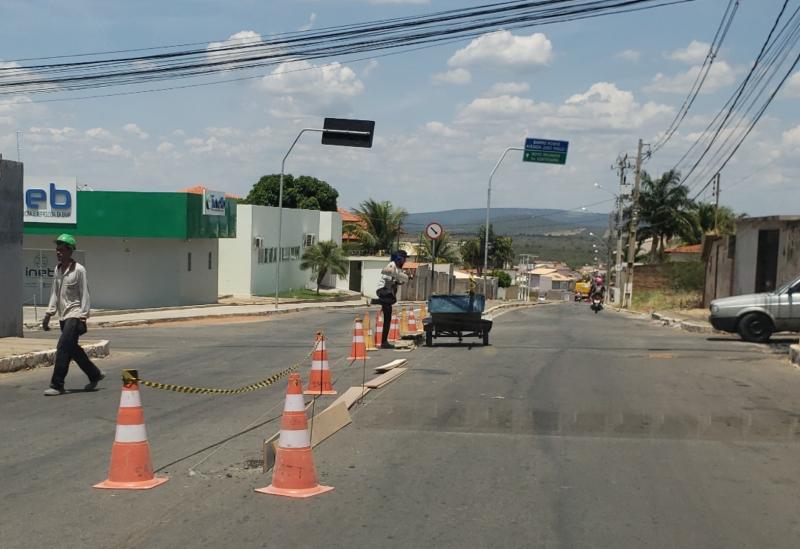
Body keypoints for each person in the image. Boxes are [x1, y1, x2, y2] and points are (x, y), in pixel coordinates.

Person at [42, 234, 105, 396]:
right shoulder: (57, 269)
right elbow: (54, 293)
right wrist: (49, 314)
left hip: (75, 315)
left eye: (62, 249)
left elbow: (85, 293)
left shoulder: (79, 270)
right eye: (57, 249)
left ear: (70, 251)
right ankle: (94, 374)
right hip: (63, 316)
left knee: (63, 346)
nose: (58, 252)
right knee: (72, 349)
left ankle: (57, 385)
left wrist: (83, 316)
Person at [375, 250, 409, 349]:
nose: (405, 261)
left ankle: (384, 341)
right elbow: (387, 279)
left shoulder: (397, 268)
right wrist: (396, 281)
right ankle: (384, 342)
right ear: (399, 258)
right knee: (387, 316)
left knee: (388, 318)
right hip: (383, 291)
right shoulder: (391, 265)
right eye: (404, 259)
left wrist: (402, 280)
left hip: (387, 293)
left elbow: (395, 279)